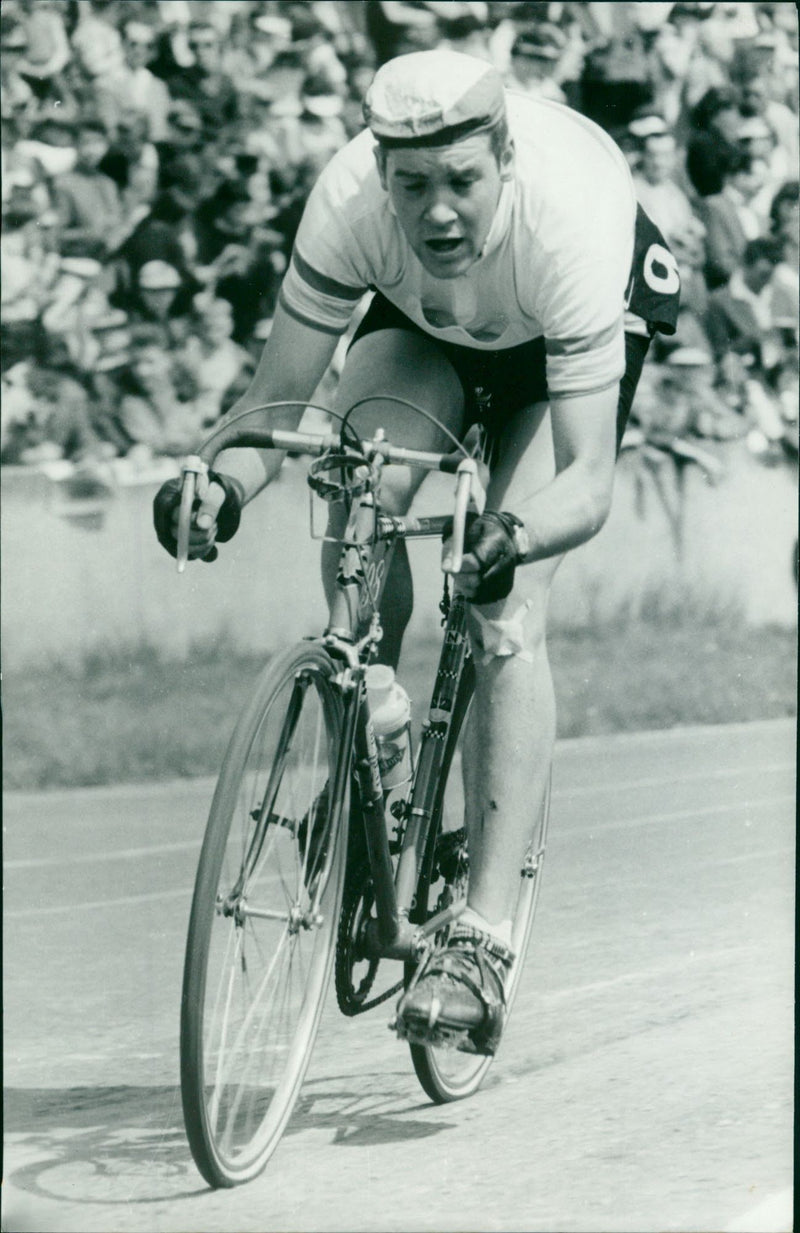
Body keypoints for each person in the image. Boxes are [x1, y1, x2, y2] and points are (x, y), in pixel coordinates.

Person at [152, 49, 679, 1056]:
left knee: (502, 613)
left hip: (565, 337)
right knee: (351, 476)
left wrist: (510, 539)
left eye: (462, 184)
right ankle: (376, 719)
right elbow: (277, 406)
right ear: (381, 175)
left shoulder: (563, 220)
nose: (437, 212)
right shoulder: (347, 200)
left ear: (503, 162)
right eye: (413, 187)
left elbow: (588, 481)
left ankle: (478, 936)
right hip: (433, 325)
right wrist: (215, 486)